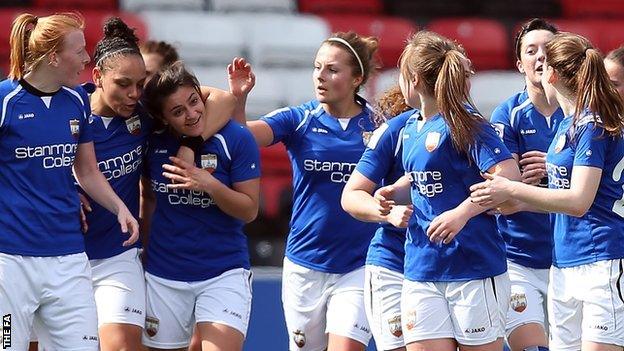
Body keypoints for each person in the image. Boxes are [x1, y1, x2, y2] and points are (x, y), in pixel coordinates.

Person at [470, 33, 624, 351]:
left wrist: (513, 188)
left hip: (602, 260)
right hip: (565, 262)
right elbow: (565, 200)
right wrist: (516, 201)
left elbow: (579, 202)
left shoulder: (592, 125)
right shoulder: (567, 126)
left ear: (551, 74)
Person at [228, 31, 379, 351]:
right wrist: (239, 99)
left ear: (357, 79)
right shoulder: (300, 119)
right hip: (305, 263)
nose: (320, 76)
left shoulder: (380, 125)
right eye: (316, 67)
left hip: (359, 263)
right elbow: (241, 138)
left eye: (332, 69)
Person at [0, 12, 139, 350]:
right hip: (11, 260)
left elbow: (87, 171)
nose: (87, 58)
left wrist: (119, 208)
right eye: (79, 51)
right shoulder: (5, 101)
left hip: (68, 258)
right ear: (53, 57)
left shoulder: (76, 101)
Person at [375, 31, 520, 351]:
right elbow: (423, 180)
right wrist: (392, 193)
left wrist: (462, 213)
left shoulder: (465, 123)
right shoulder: (410, 127)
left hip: (473, 268)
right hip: (421, 268)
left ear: (412, 78)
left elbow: (509, 175)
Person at [141, 61, 260, 351]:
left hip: (223, 271)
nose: (192, 114)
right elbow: (149, 197)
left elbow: (249, 210)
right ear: (163, 117)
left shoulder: (237, 138)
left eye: (194, 102)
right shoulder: (152, 142)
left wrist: (209, 185)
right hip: (163, 273)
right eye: (178, 112)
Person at [489, 18, 562, 351]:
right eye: (531, 51)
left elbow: (593, 190)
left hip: (571, 259)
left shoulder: (580, 114)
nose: (540, 57)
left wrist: (553, 168)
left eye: (548, 49)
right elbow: (504, 196)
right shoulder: (508, 115)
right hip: (518, 258)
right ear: (519, 64)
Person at [340, 84, 415, 351]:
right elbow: (351, 195)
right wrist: (388, 213)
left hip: (450, 265)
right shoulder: (395, 130)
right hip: (393, 259)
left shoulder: (470, 127)